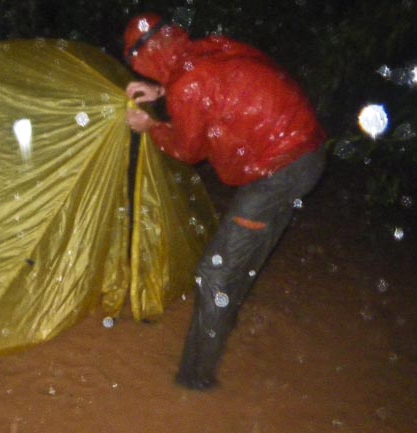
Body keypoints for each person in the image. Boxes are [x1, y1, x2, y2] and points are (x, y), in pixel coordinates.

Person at [124, 13, 328, 389]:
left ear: (145, 54)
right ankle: (223, 317)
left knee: (213, 274)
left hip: (279, 167)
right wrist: (161, 91)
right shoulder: (207, 49)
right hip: (307, 152)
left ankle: (196, 378)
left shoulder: (188, 83)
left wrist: (151, 127)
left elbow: (187, 149)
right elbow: (212, 84)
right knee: (245, 256)